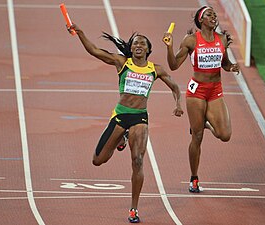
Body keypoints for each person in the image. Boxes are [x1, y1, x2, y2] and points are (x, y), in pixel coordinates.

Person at [67, 23, 183, 223]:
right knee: (98, 160)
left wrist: (178, 104)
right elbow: (94, 51)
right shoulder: (122, 63)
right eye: (135, 43)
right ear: (131, 48)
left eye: (142, 43)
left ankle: (133, 209)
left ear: (148, 49)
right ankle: (121, 137)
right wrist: (81, 33)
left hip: (140, 117)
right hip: (120, 116)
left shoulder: (155, 69)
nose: (138, 45)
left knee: (137, 160)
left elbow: (174, 86)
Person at [162, 6, 240, 193]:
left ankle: (206, 123)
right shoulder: (191, 40)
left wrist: (232, 67)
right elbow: (173, 66)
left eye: (214, 14)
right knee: (197, 137)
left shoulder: (221, 39)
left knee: (225, 135)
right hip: (197, 91)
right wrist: (170, 46)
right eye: (209, 15)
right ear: (201, 20)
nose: (213, 17)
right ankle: (194, 178)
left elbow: (225, 63)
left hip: (215, 90)